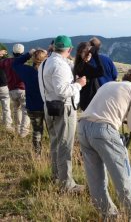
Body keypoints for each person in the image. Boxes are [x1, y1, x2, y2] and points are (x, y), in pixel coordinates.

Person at [78, 66, 131, 220]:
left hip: (83, 127)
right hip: (104, 131)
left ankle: (108, 215)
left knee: (95, 178)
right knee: (123, 177)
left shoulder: (108, 84)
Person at [38, 35, 87, 193]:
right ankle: (67, 184)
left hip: (49, 106)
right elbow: (63, 91)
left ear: (53, 47)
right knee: (65, 145)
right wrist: (78, 85)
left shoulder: (46, 62)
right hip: (63, 108)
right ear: (70, 49)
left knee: (55, 144)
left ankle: (56, 176)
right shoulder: (59, 65)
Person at [13, 49, 48, 156]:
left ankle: (37, 155)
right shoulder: (48, 70)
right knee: (53, 132)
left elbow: (15, 63)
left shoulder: (27, 71)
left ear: (33, 58)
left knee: (37, 131)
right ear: (45, 59)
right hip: (49, 106)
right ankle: (54, 154)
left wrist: (28, 53)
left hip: (33, 106)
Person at [0, 43, 30, 137]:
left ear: (12, 52)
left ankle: (17, 128)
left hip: (11, 89)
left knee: (16, 109)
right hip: (22, 89)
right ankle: (23, 131)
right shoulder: (22, 62)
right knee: (25, 110)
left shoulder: (6, 62)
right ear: (22, 52)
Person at [73, 42, 104, 111]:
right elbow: (101, 72)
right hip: (90, 101)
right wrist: (95, 55)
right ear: (80, 53)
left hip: (85, 100)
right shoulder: (84, 67)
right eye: (85, 51)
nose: (88, 53)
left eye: (89, 52)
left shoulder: (78, 66)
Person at [0, 45, 12, 132]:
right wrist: (5, 54)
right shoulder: (5, 61)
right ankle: (7, 125)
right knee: (6, 107)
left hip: (4, 86)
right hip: (4, 86)